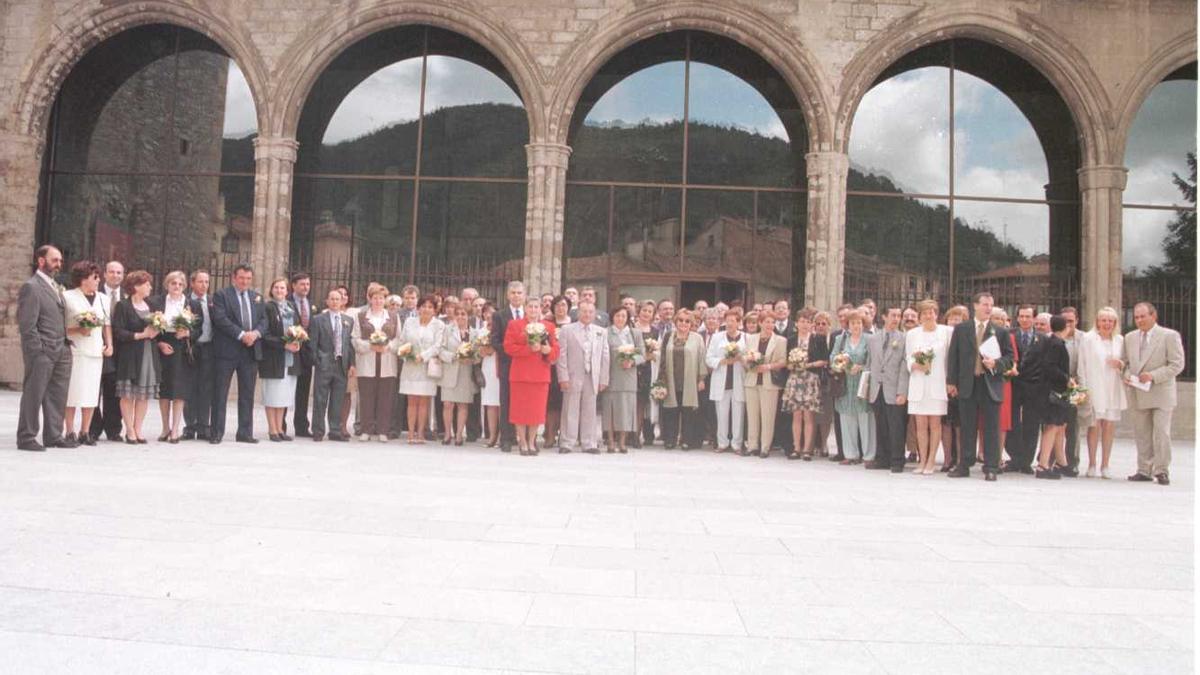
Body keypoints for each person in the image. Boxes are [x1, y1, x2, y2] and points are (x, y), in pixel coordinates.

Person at [946, 292, 1012, 481]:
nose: (988, 308)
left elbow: (1010, 359)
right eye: (984, 304)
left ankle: (991, 466)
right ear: (975, 306)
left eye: (991, 305)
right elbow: (954, 357)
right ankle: (964, 464)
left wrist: (997, 364)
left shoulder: (1000, 331)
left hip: (989, 383)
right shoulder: (962, 329)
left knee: (991, 426)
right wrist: (951, 382)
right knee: (967, 426)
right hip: (968, 383)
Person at [17, 245, 76, 451]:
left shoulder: (56, 286)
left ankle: (53, 435)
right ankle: (26, 437)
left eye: (60, 260)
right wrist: (38, 351)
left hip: (61, 349)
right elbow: (27, 325)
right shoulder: (31, 287)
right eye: (54, 260)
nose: (58, 264)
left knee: (57, 394)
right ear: (41, 260)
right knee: (34, 393)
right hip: (42, 352)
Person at [1123, 302, 1185, 485]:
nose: (1139, 320)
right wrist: (1127, 375)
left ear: (1153, 316)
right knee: (1142, 433)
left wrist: (1153, 376)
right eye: (1136, 317)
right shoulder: (1129, 337)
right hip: (1138, 393)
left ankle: (1161, 470)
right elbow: (1124, 363)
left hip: (1161, 393)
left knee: (1161, 433)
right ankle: (1144, 470)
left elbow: (1177, 364)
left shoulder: (1169, 336)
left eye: (1143, 316)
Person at [211, 264, 266, 444]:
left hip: (250, 351)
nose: (245, 282)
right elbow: (220, 319)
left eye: (248, 279)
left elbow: (264, 320)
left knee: (247, 393)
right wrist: (242, 335)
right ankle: (217, 432)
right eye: (242, 278)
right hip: (227, 350)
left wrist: (255, 334)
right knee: (220, 393)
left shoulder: (257, 297)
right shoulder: (221, 295)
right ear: (234, 278)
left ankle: (244, 432)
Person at [62, 260, 112, 446]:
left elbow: (106, 324)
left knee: (91, 393)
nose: (98, 280)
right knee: (72, 392)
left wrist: (109, 344)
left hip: (95, 351)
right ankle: (69, 431)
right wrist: (78, 330)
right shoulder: (68, 297)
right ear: (83, 279)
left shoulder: (103, 299)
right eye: (95, 277)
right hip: (76, 349)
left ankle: (85, 431)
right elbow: (62, 326)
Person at [112, 270, 161, 445]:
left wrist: (156, 332)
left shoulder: (152, 305)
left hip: (148, 353)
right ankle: (129, 430)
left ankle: (138, 429)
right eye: (146, 284)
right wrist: (140, 335)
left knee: (142, 395)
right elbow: (118, 331)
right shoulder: (123, 306)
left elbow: (159, 327)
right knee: (127, 394)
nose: (150, 287)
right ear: (136, 286)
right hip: (130, 354)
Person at [505, 297, 559, 455]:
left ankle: (531, 442)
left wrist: (547, 351)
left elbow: (555, 350)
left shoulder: (548, 326)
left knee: (536, 411)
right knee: (520, 411)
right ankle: (522, 442)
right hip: (520, 374)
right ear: (525, 308)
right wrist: (528, 349)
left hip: (540, 374)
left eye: (536, 307)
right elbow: (508, 347)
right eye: (530, 307)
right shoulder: (515, 325)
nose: (533, 310)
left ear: (541, 309)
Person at [148, 270, 197, 443]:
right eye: (173, 283)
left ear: (184, 286)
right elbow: (150, 326)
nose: (177, 287)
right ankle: (165, 428)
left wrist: (188, 333)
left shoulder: (191, 304)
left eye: (180, 284)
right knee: (165, 391)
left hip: (182, 348)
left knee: (179, 391)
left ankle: (175, 429)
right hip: (163, 346)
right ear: (167, 284)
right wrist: (159, 343)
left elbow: (200, 329)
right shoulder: (156, 302)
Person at [1076, 307, 1126, 479]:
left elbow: (1127, 363)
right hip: (1094, 386)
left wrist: (1120, 364)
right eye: (1103, 320)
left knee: (1109, 425)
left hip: (1112, 386)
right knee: (1094, 425)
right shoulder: (1088, 339)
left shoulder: (1120, 340)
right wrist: (1083, 387)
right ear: (1097, 321)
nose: (1107, 324)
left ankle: (1105, 464)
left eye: (1110, 321)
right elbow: (1081, 363)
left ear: (1115, 323)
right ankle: (1091, 464)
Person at [904, 300, 952, 475]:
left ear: (936, 314)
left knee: (935, 424)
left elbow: (950, 359)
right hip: (918, 383)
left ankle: (932, 460)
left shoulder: (946, 332)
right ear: (919, 316)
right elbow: (908, 357)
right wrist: (915, 365)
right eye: (924, 313)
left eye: (931, 312)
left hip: (937, 384)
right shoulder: (912, 334)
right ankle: (922, 460)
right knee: (920, 425)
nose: (928, 315)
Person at [557, 301, 611, 454]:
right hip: (573, 375)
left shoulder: (601, 331)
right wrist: (563, 377)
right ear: (578, 313)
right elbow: (561, 355)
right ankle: (567, 442)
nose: (587, 315)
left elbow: (605, 356)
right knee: (570, 409)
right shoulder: (567, 330)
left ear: (595, 314)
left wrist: (603, 379)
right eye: (584, 311)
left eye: (590, 312)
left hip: (592, 375)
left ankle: (589, 443)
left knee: (590, 409)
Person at [350, 284, 398, 442]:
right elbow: (355, 339)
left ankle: (383, 430)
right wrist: (370, 346)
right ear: (369, 299)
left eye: (381, 298)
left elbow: (400, 339)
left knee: (385, 397)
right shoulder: (361, 316)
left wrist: (388, 346)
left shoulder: (393, 316)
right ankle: (366, 430)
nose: (378, 301)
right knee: (366, 397)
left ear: (385, 300)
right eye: (375, 297)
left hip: (387, 361)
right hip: (367, 361)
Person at [865, 306, 909, 471]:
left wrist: (902, 391)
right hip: (877, 388)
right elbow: (870, 363)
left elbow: (905, 367)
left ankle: (897, 460)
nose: (896, 319)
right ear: (884, 317)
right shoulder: (874, 339)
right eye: (893, 315)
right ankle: (882, 458)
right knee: (880, 424)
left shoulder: (904, 338)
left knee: (896, 426)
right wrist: (868, 387)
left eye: (898, 316)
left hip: (894, 388)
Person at [259, 278, 302, 442]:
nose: (279, 290)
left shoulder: (291, 306)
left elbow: (297, 328)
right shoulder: (268, 307)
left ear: (287, 290)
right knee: (272, 395)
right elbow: (265, 334)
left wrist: (298, 341)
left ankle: (280, 429)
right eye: (276, 287)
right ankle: (272, 429)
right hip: (273, 358)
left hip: (290, 359)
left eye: (282, 288)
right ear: (271, 290)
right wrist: (284, 345)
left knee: (284, 396)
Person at [399, 296, 445, 444]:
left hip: (427, 366)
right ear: (418, 308)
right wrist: (408, 355)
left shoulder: (438, 325)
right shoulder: (409, 322)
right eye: (423, 306)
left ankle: (421, 434)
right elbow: (403, 340)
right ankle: (411, 434)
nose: (426, 309)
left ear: (435, 310)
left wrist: (423, 356)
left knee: (424, 402)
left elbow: (438, 345)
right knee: (411, 401)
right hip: (411, 366)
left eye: (430, 307)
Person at [782, 309, 827, 461]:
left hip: (810, 379)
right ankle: (796, 448)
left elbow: (824, 360)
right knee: (796, 414)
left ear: (811, 324)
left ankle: (807, 449)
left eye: (808, 322)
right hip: (795, 379)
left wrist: (808, 364)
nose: (805, 324)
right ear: (797, 323)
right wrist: (792, 365)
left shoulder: (818, 339)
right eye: (802, 321)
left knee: (808, 415)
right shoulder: (791, 339)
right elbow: (785, 361)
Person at [659, 309, 708, 450]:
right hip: (671, 379)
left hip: (690, 380)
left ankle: (686, 440)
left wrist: (701, 379)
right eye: (680, 320)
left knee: (688, 411)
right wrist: (661, 380)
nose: (683, 323)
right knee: (670, 410)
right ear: (675, 321)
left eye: (687, 321)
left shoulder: (697, 338)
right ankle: (670, 440)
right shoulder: (669, 336)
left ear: (692, 323)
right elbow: (662, 358)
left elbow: (701, 359)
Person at [311, 288, 354, 442]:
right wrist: (318, 361)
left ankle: (335, 430)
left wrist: (351, 364)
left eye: (338, 299)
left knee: (337, 400)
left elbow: (349, 344)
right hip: (324, 364)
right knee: (320, 399)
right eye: (332, 299)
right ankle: (318, 430)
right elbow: (313, 344)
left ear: (342, 302)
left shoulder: (348, 320)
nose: (335, 302)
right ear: (327, 301)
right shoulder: (318, 319)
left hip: (341, 365)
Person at [743, 308, 787, 458]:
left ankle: (765, 447)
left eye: (773, 322)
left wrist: (767, 367)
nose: (770, 325)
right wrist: (750, 364)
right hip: (752, 380)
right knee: (752, 415)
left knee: (767, 416)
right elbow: (745, 357)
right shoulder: (751, 339)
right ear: (760, 323)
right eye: (767, 322)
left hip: (769, 382)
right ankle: (752, 445)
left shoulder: (780, 340)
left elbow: (783, 361)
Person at [90, 259, 125, 442]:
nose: (115, 275)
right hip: (97, 347)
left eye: (119, 272)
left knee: (114, 390)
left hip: (120, 350)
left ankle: (113, 429)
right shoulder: (94, 293)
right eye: (112, 272)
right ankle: (94, 428)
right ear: (104, 274)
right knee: (94, 388)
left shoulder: (127, 296)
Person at [600, 305, 643, 454]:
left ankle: (623, 442)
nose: (620, 319)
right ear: (612, 317)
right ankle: (610, 441)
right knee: (610, 411)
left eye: (623, 316)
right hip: (611, 376)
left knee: (625, 411)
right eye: (618, 316)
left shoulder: (635, 333)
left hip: (628, 377)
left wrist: (632, 361)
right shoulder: (605, 333)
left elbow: (642, 354)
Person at [1034, 315, 1073, 479]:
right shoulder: (1057, 344)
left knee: (1058, 425)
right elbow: (1050, 366)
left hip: (1050, 390)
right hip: (1053, 391)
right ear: (1066, 328)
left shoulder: (1051, 342)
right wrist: (1066, 378)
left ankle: (1061, 462)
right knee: (1052, 426)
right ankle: (1043, 465)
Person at [832, 309, 872, 465]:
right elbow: (833, 357)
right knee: (847, 419)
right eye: (853, 323)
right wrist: (839, 364)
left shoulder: (869, 339)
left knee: (866, 419)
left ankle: (868, 455)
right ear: (848, 325)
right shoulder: (841, 339)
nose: (856, 326)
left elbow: (873, 361)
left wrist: (861, 367)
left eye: (859, 323)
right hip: (846, 384)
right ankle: (850, 454)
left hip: (862, 383)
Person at [1006, 305, 1042, 474]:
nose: (1025, 319)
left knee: (1031, 423)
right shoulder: (1009, 335)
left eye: (1028, 316)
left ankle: (1027, 460)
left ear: (1034, 318)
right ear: (1017, 317)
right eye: (1021, 316)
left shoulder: (1042, 338)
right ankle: (1014, 457)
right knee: (1012, 422)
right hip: (1013, 384)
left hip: (1033, 387)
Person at [706, 307, 747, 454]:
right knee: (721, 414)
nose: (729, 324)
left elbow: (750, 359)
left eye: (733, 321)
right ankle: (722, 443)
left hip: (738, 381)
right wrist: (723, 361)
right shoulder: (717, 337)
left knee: (738, 414)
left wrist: (740, 359)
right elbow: (709, 359)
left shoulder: (745, 338)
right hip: (721, 381)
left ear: (739, 323)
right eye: (727, 320)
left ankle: (737, 444)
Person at [491, 281, 526, 452]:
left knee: (524, 401)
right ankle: (506, 438)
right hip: (507, 364)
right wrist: (511, 351)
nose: (516, 296)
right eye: (513, 293)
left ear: (524, 295)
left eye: (519, 293)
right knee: (506, 401)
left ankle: (524, 437)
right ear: (507, 295)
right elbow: (494, 340)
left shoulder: (531, 315)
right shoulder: (499, 315)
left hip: (527, 366)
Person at [439, 304, 479, 445]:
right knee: (448, 404)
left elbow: (478, 354)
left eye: (464, 314)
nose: (461, 317)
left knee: (463, 405)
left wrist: (472, 358)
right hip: (450, 370)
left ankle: (459, 435)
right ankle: (447, 434)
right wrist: (454, 356)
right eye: (458, 314)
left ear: (469, 316)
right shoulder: (447, 331)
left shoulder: (475, 333)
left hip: (465, 372)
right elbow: (440, 350)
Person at [182, 270, 214, 441]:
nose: (204, 285)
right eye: (200, 282)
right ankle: (190, 426)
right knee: (190, 388)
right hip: (192, 348)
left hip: (209, 348)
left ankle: (203, 426)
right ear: (192, 283)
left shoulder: (212, 301)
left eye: (207, 282)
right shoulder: (185, 302)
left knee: (206, 388)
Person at [939, 306, 968, 472]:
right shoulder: (942, 336)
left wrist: (955, 383)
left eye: (959, 318)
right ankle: (947, 458)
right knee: (946, 424)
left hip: (961, 385)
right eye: (952, 318)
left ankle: (960, 459)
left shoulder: (966, 336)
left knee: (959, 424)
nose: (955, 321)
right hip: (942, 384)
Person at [288, 273, 315, 437]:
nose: (305, 287)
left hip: (306, 354)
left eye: (307, 284)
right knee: (287, 389)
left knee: (303, 391)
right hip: (290, 351)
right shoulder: (287, 303)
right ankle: (280, 426)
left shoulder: (312, 304)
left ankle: (301, 426)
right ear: (294, 285)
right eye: (302, 284)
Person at [544, 295, 572, 448]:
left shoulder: (573, 324)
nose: (561, 308)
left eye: (563, 305)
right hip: (552, 368)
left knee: (566, 403)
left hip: (569, 368)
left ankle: (565, 435)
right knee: (551, 404)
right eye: (558, 305)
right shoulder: (548, 324)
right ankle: (550, 434)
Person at [1058, 306, 1083, 476]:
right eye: (1064, 321)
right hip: (1057, 385)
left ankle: (1072, 461)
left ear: (1077, 321)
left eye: (1071, 321)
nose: (1067, 324)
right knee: (1054, 424)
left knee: (1073, 425)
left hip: (1077, 386)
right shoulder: (1055, 336)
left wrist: (1076, 383)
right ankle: (1056, 459)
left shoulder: (1084, 339)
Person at [811, 311, 837, 458]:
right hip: (813, 380)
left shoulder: (834, 339)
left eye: (824, 324)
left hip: (828, 380)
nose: (821, 326)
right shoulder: (812, 339)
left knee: (826, 414)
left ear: (829, 325)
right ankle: (815, 444)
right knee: (814, 414)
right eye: (818, 324)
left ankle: (824, 443)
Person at [633, 300, 658, 448]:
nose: (646, 313)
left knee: (642, 403)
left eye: (650, 311)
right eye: (644, 310)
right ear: (639, 311)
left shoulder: (655, 331)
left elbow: (658, 351)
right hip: (633, 369)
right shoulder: (631, 329)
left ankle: (638, 434)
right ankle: (629, 434)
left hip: (649, 370)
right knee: (632, 403)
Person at [477, 302, 501, 447]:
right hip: (487, 366)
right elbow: (479, 350)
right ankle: (492, 435)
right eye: (485, 312)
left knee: (500, 403)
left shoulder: (501, 327)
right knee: (490, 403)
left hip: (499, 366)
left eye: (491, 312)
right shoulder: (481, 331)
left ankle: (501, 436)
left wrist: (492, 348)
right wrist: (484, 350)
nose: (488, 315)